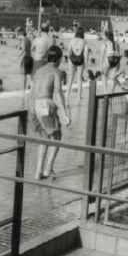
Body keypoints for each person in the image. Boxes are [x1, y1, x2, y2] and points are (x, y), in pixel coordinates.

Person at [31, 46, 71, 180]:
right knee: (57, 137)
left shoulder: (38, 71)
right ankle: (48, 169)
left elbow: (32, 90)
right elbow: (58, 92)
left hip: (33, 105)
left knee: (44, 139)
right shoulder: (56, 71)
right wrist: (64, 113)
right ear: (59, 59)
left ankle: (38, 172)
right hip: (45, 105)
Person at [67, 27, 90, 99]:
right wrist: (85, 63)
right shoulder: (84, 41)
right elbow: (86, 53)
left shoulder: (72, 40)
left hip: (72, 58)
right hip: (80, 59)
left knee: (70, 77)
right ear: (83, 33)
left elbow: (68, 50)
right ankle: (79, 96)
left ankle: (67, 94)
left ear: (76, 33)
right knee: (79, 78)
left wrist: (69, 58)